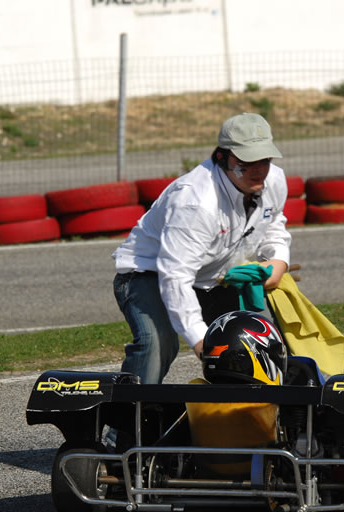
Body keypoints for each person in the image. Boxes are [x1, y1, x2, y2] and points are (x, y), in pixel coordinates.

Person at [111, 112, 292, 384]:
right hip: (147, 274)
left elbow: (273, 220)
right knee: (158, 343)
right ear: (222, 158)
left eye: (264, 159)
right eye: (247, 160)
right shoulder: (195, 203)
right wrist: (200, 340)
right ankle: (125, 423)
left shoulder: (273, 180)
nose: (258, 168)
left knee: (259, 343)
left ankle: (255, 421)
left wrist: (277, 261)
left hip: (213, 278)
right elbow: (175, 276)